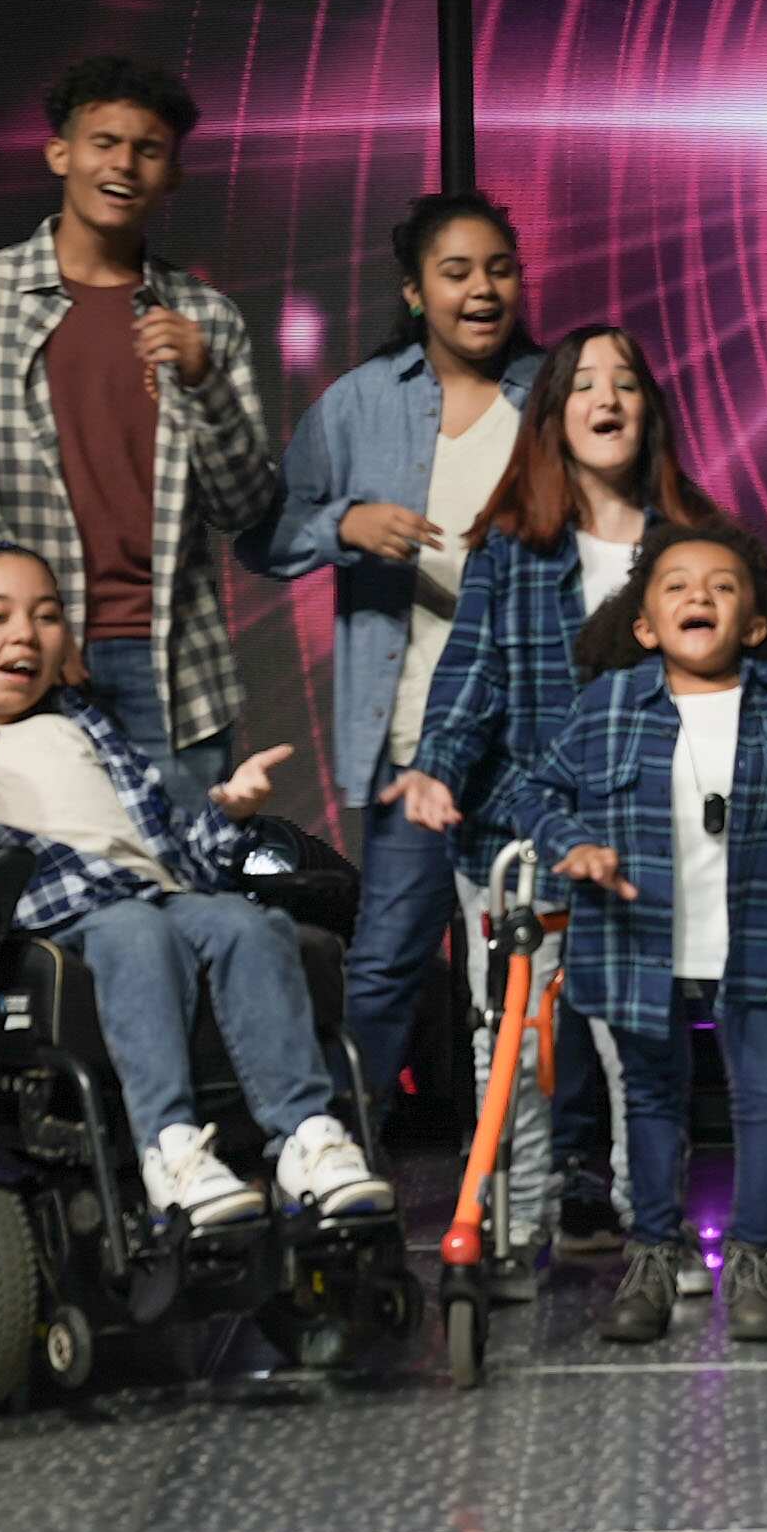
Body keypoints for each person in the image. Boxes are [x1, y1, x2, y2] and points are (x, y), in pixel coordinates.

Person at [0, 545, 392, 1226]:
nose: (25, 634)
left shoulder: (85, 724)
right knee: (137, 930)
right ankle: (170, 1146)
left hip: (153, 894)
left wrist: (229, 812)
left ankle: (306, 1137)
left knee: (247, 923)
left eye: (46, 616)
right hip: (42, 914)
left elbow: (180, 859)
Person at [377, 325, 720, 1278]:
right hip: (521, 827)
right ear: (555, 417)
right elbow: (470, 678)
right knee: (514, 1050)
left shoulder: (692, 545)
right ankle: (512, 1228)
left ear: (648, 408)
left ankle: (654, 1233)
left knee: (641, 1047)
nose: (607, 399)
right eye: (585, 386)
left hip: (639, 836)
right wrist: (437, 766)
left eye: (626, 382)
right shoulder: (514, 551)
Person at [491, 522, 767, 1346]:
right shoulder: (608, 705)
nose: (698, 594)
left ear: (755, 622)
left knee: (766, 1097)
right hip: (638, 935)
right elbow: (531, 791)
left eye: (721, 585)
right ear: (645, 624)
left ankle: (754, 1257)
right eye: (675, 584)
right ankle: (652, 1253)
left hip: (758, 932)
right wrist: (572, 843)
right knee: (650, 1097)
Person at [0, 55, 283, 802]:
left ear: (173, 174)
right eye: (104, 142)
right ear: (59, 152)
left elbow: (244, 507)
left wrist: (203, 382)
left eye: (148, 150)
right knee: (28, 866)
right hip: (17, 657)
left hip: (173, 667)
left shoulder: (205, 318)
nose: (123, 165)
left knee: (181, 864)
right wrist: (33, 607)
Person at [254, 192, 543, 1140]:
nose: (482, 289)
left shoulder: (554, 394)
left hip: (536, 746)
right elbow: (264, 530)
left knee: (539, 969)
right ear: (415, 292)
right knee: (385, 963)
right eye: (456, 272)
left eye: (499, 268)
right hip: (411, 741)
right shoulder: (363, 401)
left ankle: (533, 1167)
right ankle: (345, 1157)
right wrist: (345, 524)